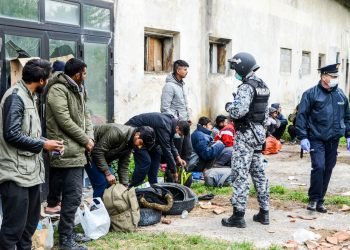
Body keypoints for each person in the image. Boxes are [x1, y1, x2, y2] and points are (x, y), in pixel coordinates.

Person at [0, 59, 64, 249]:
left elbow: (28, 134)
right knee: (13, 230)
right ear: (42, 80)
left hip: (31, 173)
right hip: (15, 173)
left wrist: (47, 143)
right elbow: (11, 134)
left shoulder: (30, 97)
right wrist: (44, 145)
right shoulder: (15, 97)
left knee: (27, 229)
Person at [46, 58, 94, 249]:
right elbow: (64, 120)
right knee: (73, 195)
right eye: (84, 72)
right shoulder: (58, 89)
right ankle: (66, 240)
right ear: (77, 74)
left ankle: (68, 233)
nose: (86, 76)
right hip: (65, 150)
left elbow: (86, 117)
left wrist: (89, 137)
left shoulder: (79, 89)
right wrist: (85, 139)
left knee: (72, 195)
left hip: (77, 150)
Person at [222, 52, 270, 228]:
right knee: (258, 173)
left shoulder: (246, 87)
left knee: (240, 173)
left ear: (242, 67)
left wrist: (229, 107)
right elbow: (265, 115)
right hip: (259, 134)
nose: (235, 72)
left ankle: (238, 215)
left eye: (235, 68)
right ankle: (264, 213)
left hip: (245, 135)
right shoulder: (263, 85)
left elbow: (239, 112)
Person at [296, 63, 350, 213]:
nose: (335, 79)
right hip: (316, 138)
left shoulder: (340, 95)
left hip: (333, 139)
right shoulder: (311, 94)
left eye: (336, 77)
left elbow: (347, 117)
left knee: (328, 168)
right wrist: (302, 136)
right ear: (324, 76)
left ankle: (320, 200)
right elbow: (302, 116)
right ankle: (313, 199)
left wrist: (348, 135)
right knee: (319, 167)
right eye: (332, 76)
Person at [86, 124, 155, 198]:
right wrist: (108, 174)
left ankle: (106, 206)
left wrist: (124, 184)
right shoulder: (118, 132)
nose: (139, 147)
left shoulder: (131, 143)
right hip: (90, 153)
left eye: (143, 146)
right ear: (137, 134)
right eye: (140, 143)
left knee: (111, 184)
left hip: (100, 156)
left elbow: (124, 164)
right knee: (102, 183)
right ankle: (97, 208)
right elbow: (97, 151)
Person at [125, 112, 189, 186]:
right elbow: (166, 150)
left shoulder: (171, 124)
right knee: (145, 161)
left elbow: (170, 143)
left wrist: (178, 157)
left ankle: (153, 185)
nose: (179, 136)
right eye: (180, 134)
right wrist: (174, 171)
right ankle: (134, 187)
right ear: (177, 128)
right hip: (135, 133)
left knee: (157, 154)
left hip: (148, 138)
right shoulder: (164, 125)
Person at [45, 60, 66, 215]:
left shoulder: (50, 86)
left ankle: (55, 201)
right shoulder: (57, 88)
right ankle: (52, 203)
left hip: (53, 134)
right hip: (56, 136)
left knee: (57, 170)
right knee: (58, 171)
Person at [161, 60, 192, 162]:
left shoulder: (182, 85)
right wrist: (177, 122)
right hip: (176, 126)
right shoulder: (169, 86)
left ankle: (184, 176)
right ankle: (172, 176)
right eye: (185, 69)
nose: (187, 72)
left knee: (187, 150)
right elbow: (165, 108)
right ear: (178, 70)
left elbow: (184, 105)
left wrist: (188, 118)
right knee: (176, 153)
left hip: (185, 124)